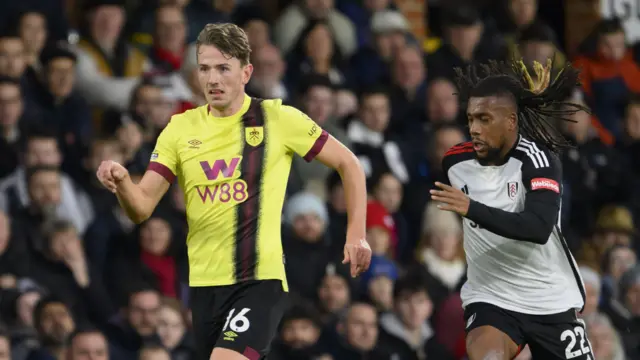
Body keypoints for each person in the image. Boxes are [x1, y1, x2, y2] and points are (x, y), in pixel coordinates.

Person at [96, 23, 371, 360]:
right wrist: (123, 182)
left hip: (258, 282)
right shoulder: (179, 128)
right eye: (205, 69)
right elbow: (140, 208)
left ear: (246, 72)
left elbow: (350, 164)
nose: (213, 79)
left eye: (223, 68)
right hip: (203, 287)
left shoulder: (277, 118)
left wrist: (356, 234)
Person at [430, 59, 594, 360]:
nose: (474, 129)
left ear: (511, 121)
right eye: (470, 119)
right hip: (492, 296)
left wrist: (471, 209)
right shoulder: (455, 163)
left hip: (548, 299)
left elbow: (538, 228)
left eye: (484, 119)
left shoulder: (538, 161)